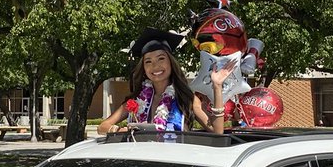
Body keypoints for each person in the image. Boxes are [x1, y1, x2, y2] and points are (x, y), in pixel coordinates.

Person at [98, 29, 234, 135]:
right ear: (144, 68)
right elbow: (102, 127)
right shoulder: (136, 101)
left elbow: (217, 131)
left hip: (174, 166)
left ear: (171, 63)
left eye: (161, 59)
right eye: (148, 61)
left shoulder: (186, 98)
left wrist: (217, 87)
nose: (155, 66)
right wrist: (117, 130)